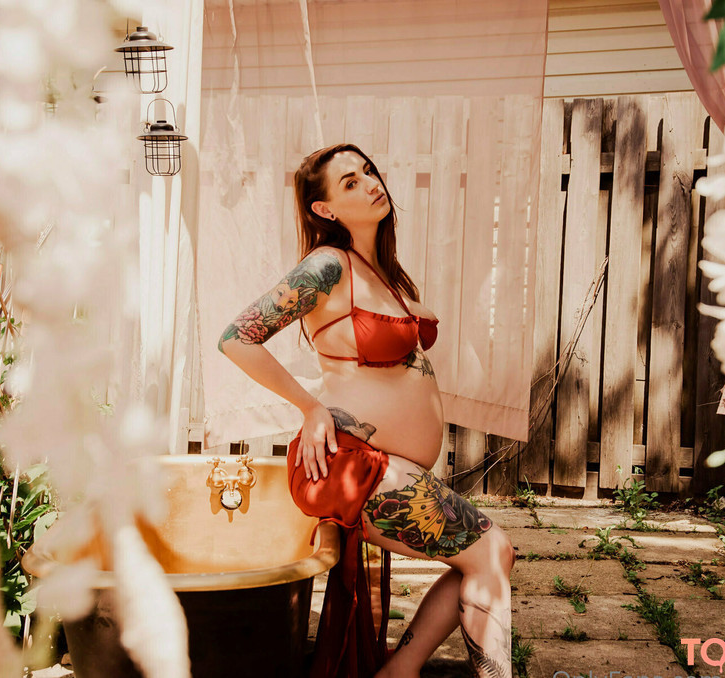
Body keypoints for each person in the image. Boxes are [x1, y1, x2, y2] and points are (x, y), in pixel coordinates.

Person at [219, 143, 515, 678]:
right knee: (491, 550)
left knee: (487, 558)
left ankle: (399, 671)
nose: (371, 183)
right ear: (325, 209)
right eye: (350, 183)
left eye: (369, 171)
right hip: (351, 465)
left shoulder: (385, 274)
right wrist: (310, 407)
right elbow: (237, 339)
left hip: (387, 466)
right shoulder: (328, 266)